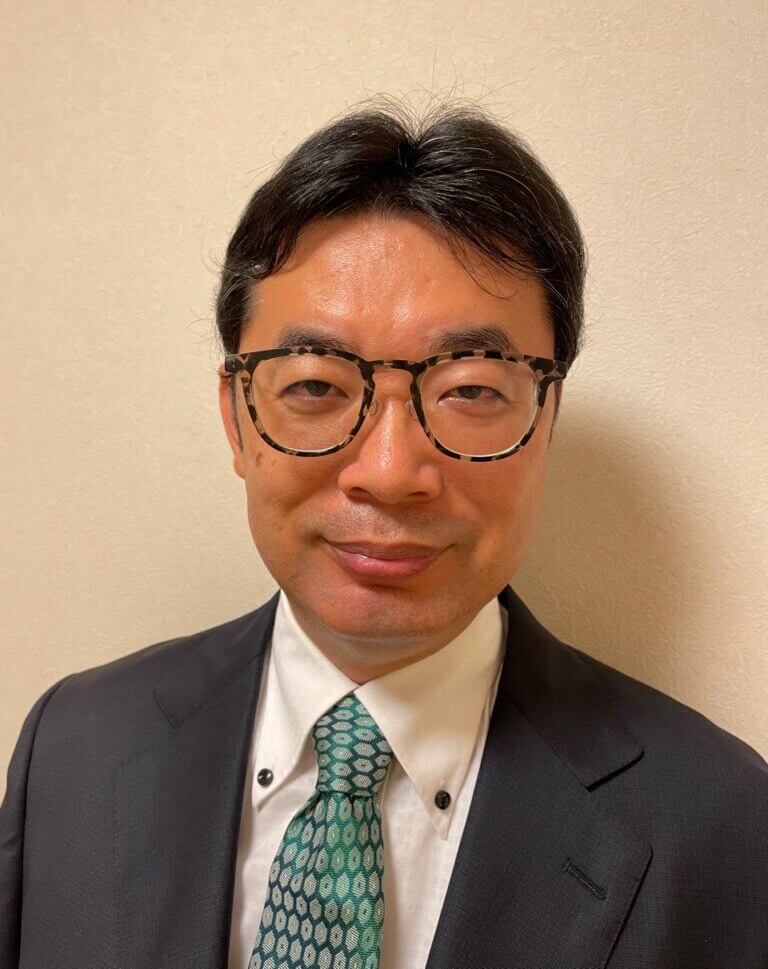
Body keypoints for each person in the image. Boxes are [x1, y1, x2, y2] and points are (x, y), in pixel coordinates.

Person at [1, 101, 766, 969]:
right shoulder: (72, 747)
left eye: (471, 389)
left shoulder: (724, 826)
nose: (391, 471)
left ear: (545, 418)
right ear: (237, 419)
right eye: (315, 386)